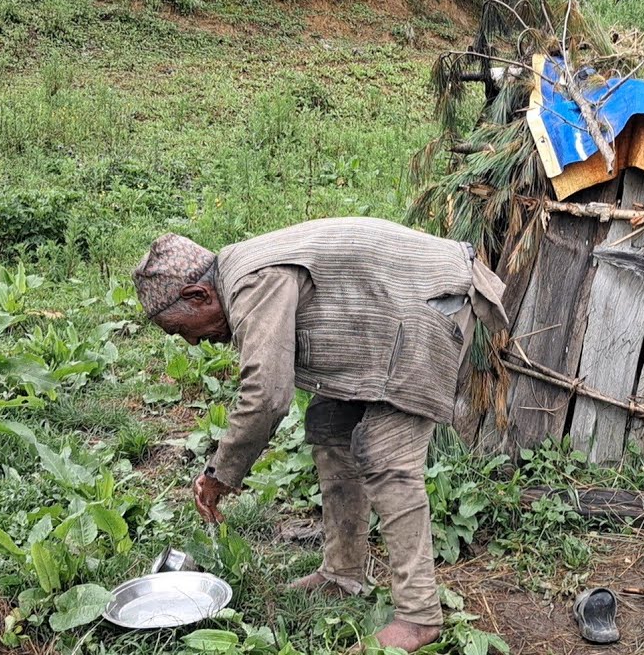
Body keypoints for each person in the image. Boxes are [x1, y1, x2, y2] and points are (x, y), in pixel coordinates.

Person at [132, 217, 507, 651]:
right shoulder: (240, 275)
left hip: (429, 306)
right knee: (330, 426)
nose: (192, 344)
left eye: (182, 330)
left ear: (199, 295)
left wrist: (222, 472)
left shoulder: (253, 283)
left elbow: (266, 394)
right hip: (381, 323)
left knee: (386, 454)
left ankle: (419, 616)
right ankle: (342, 573)